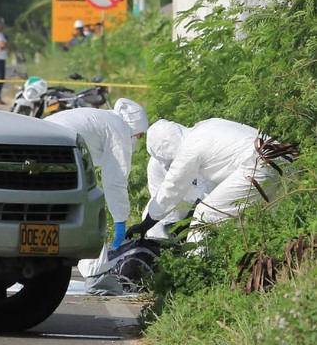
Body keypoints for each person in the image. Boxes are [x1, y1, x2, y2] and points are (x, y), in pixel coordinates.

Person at [126, 118, 299, 245]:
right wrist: (184, 222)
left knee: (205, 215)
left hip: (258, 164)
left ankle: (198, 270)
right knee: (272, 216)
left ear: (165, 150)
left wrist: (144, 225)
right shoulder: (206, 126)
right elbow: (211, 189)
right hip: (281, 156)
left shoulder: (188, 151)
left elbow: (170, 192)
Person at [45, 98, 149, 249]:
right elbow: (115, 180)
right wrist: (120, 223)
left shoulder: (104, 118)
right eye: (139, 136)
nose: (137, 140)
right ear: (133, 128)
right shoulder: (119, 129)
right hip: (59, 145)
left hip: (41, 133)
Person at [142, 120, 209, 240]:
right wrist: (172, 226)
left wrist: (190, 219)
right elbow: (160, 198)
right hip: (176, 206)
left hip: (204, 202)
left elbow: (210, 188)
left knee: (199, 237)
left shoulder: (198, 149)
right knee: (153, 224)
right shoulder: (155, 165)